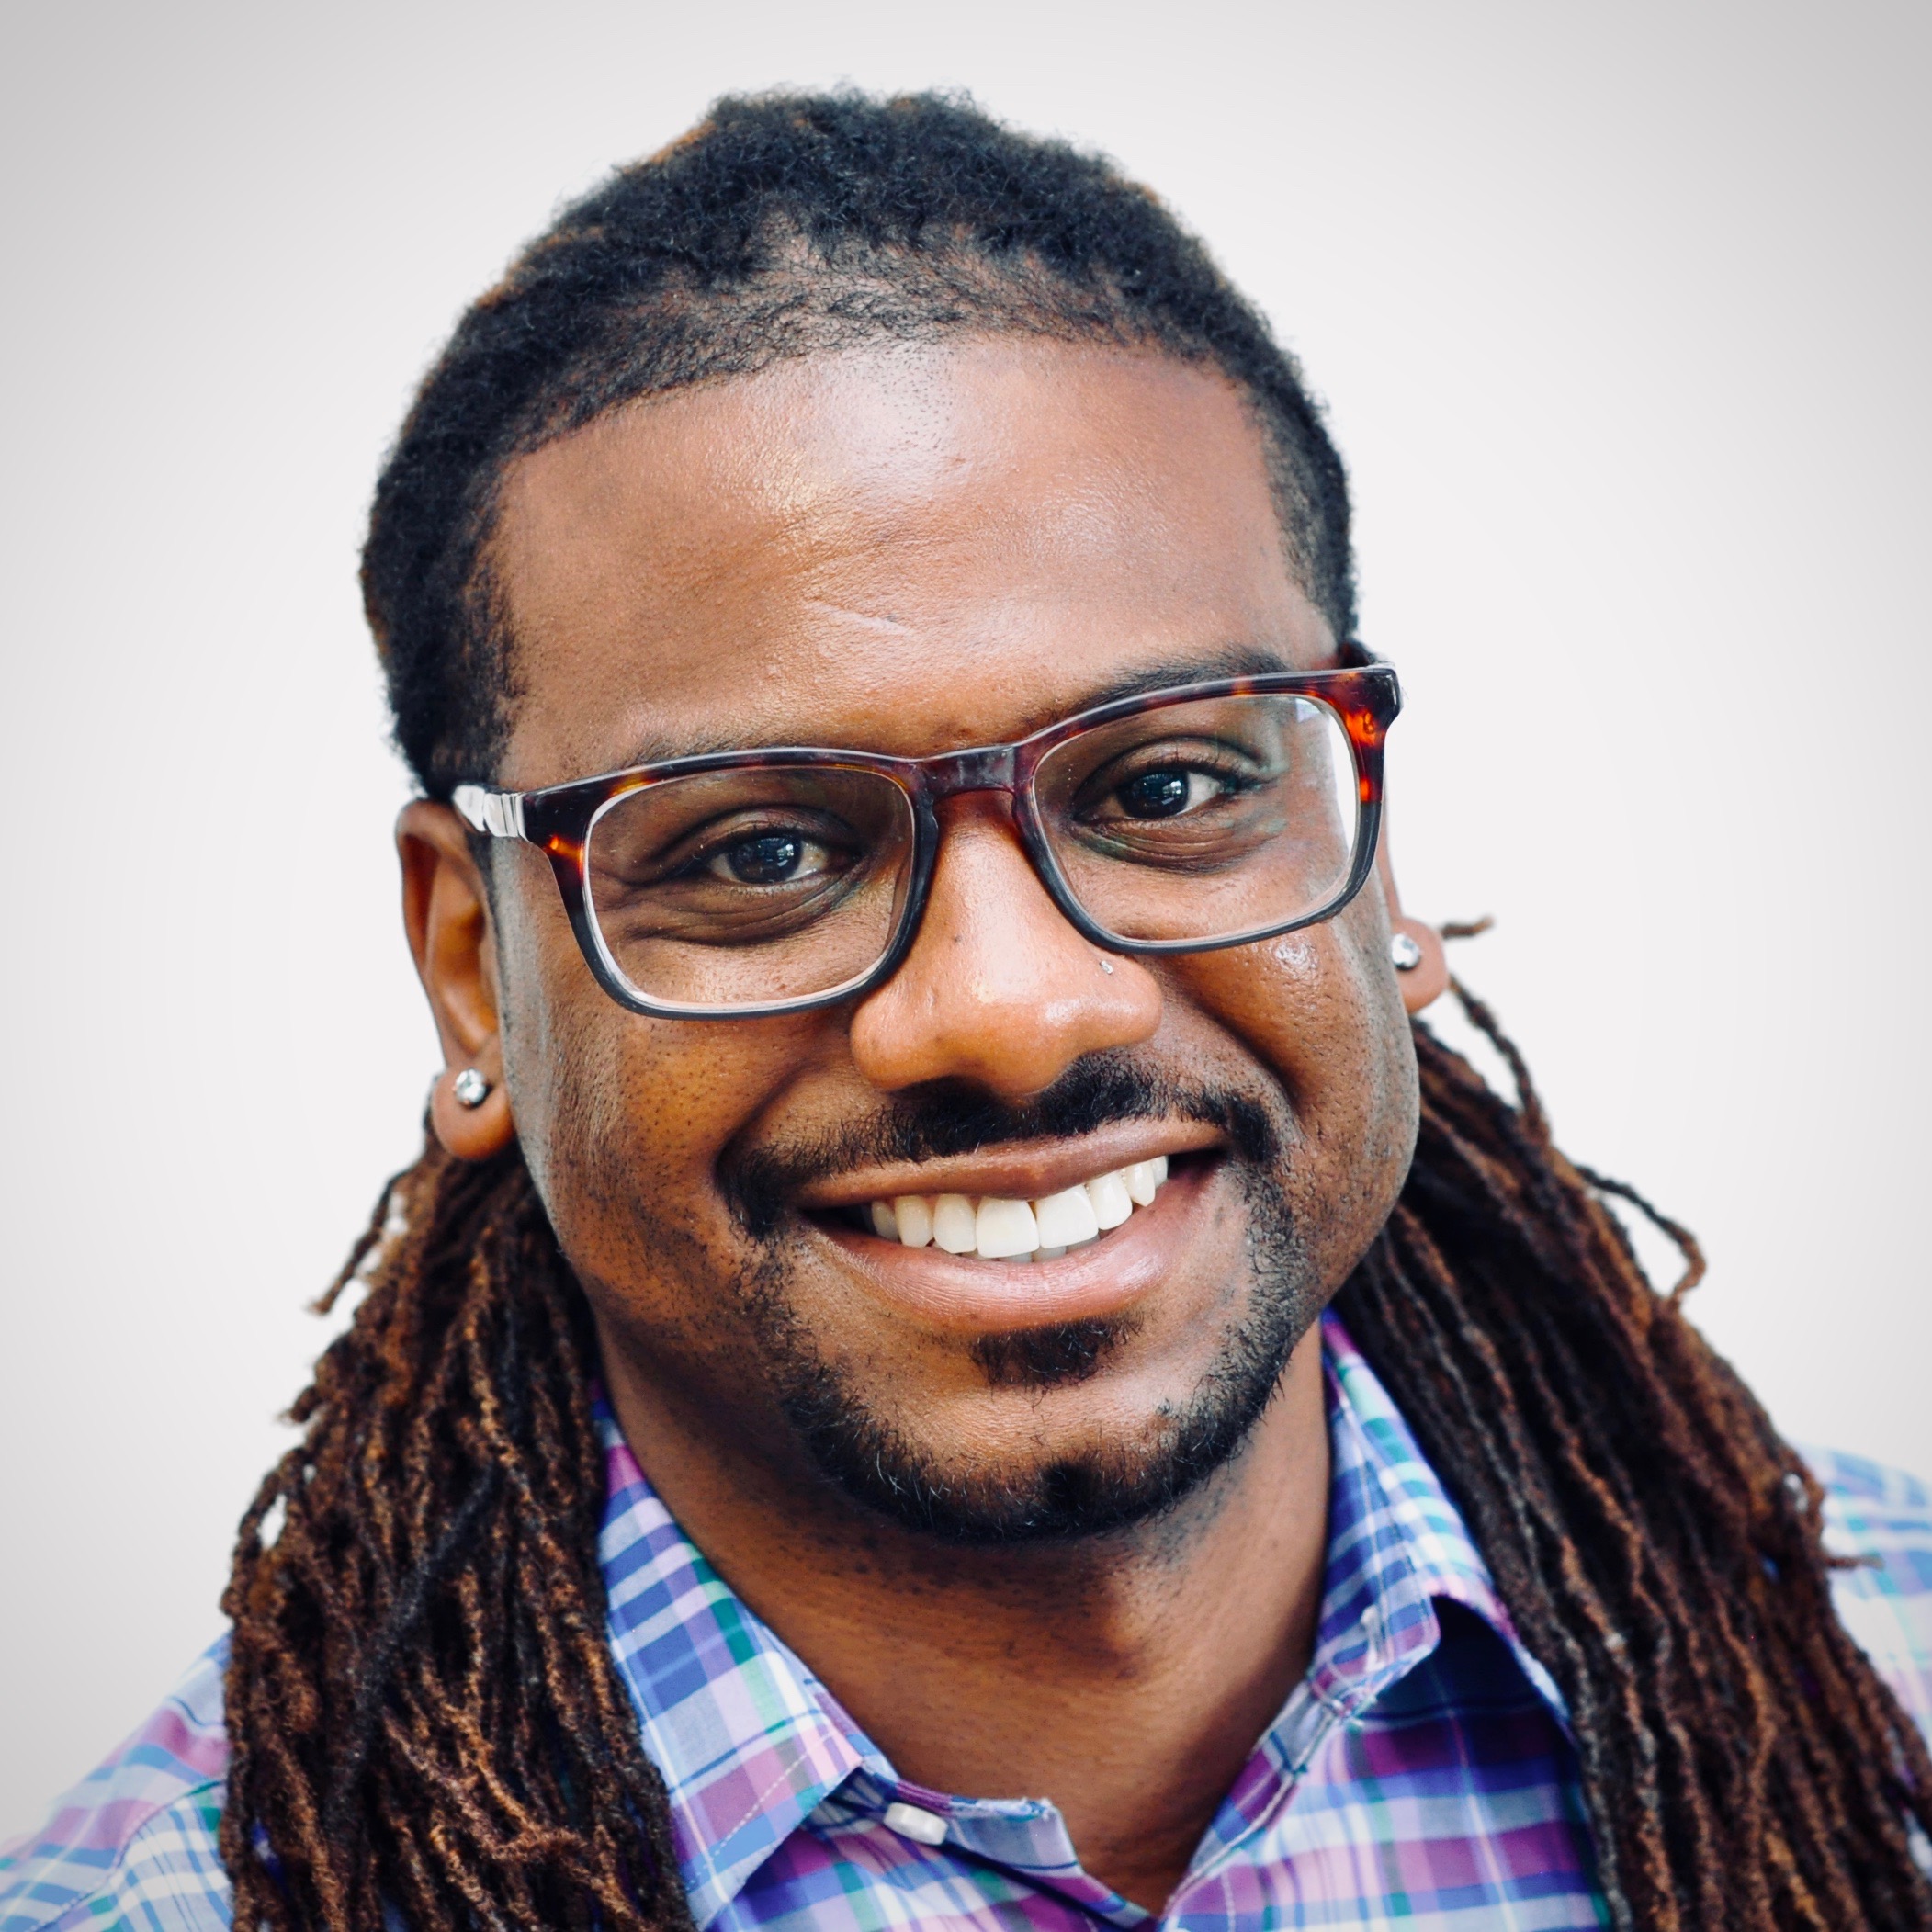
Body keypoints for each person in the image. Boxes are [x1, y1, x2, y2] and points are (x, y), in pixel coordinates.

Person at [4, 90, 1928, 1932]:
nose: (1008, 1008)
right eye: (759, 848)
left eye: (1167, 785)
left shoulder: (1888, 1691)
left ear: (1374, 847)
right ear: (465, 964)